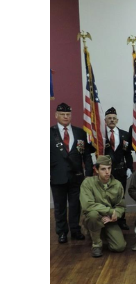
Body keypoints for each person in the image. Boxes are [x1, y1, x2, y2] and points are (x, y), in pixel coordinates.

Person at [50, 102, 93, 244]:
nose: (65, 117)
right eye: (62, 114)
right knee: (60, 206)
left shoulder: (80, 132)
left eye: (68, 114)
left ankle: (75, 230)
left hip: (77, 176)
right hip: (57, 176)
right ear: (56, 115)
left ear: (71, 115)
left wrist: (88, 173)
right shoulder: (49, 133)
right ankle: (62, 232)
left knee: (75, 205)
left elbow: (86, 155)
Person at [80, 155, 127, 257]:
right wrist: (110, 211)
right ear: (96, 170)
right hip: (94, 217)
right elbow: (88, 205)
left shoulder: (117, 185)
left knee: (119, 247)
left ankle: (101, 233)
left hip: (109, 219)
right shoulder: (88, 183)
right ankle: (96, 244)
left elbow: (121, 205)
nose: (107, 172)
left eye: (109, 168)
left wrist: (116, 214)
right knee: (92, 214)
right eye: (103, 169)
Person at [104, 107, 133, 230]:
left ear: (117, 120)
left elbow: (128, 154)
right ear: (105, 120)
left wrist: (129, 167)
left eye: (114, 118)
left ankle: (121, 220)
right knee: (106, 196)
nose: (112, 120)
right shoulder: (100, 135)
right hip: (106, 171)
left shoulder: (125, 134)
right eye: (109, 118)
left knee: (120, 196)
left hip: (121, 170)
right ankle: (108, 220)